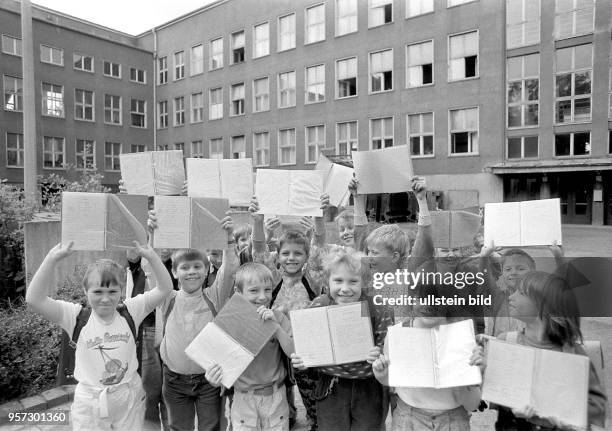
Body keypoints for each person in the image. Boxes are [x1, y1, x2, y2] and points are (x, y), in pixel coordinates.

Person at [26, 241, 174, 430]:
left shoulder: (131, 311)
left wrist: (151, 256)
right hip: (90, 400)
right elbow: (34, 299)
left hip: (128, 396)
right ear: (85, 291)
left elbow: (165, 288)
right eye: (98, 292)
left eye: (113, 291)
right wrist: (52, 258)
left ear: (121, 290)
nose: (105, 298)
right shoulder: (75, 317)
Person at [470, 271, 607, 430]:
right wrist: (480, 372)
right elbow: (491, 395)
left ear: (544, 304)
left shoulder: (572, 354)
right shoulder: (506, 341)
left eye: (520, 292)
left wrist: (546, 411)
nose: (511, 297)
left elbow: (596, 408)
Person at [148, 211, 239, 431]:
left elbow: (230, 269)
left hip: (210, 380)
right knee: (179, 428)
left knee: (211, 427)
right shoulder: (166, 297)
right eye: (185, 268)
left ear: (207, 269)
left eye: (197, 267)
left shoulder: (213, 295)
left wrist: (228, 238)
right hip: (174, 381)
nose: (191, 272)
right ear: (173, 271)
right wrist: (151, 237)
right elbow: (150, 268)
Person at [291, 247, 393, 431]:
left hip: (368, 385)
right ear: (327, 281)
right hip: (331, 384)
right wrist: (303, 360)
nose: (345, 289)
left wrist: (378, 354)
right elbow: (307, 345)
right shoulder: (319, 305)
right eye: (338, 281)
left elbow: (387, 341)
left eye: (353, 281)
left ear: (364, 282)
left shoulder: (376, 306)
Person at [206, 263, 295, 431]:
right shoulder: (230, 322)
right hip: (243, 398)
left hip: (275, 397)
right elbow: (217, 363)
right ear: (238, 294)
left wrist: (276, 328)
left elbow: (292, 352)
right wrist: (213, 379)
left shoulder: (278, 317)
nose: (262, 297)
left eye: (267, 290)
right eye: (254, 291)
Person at [480, 243, 565, 336]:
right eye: (508, 269)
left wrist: (559, 257)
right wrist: (484, 257)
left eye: (521, 269)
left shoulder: (540, 296)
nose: (513, 273)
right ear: (502, 273)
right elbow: (484, 284)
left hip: (532, 347)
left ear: (533, 272)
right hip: (501, 348)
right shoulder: (498, 297)